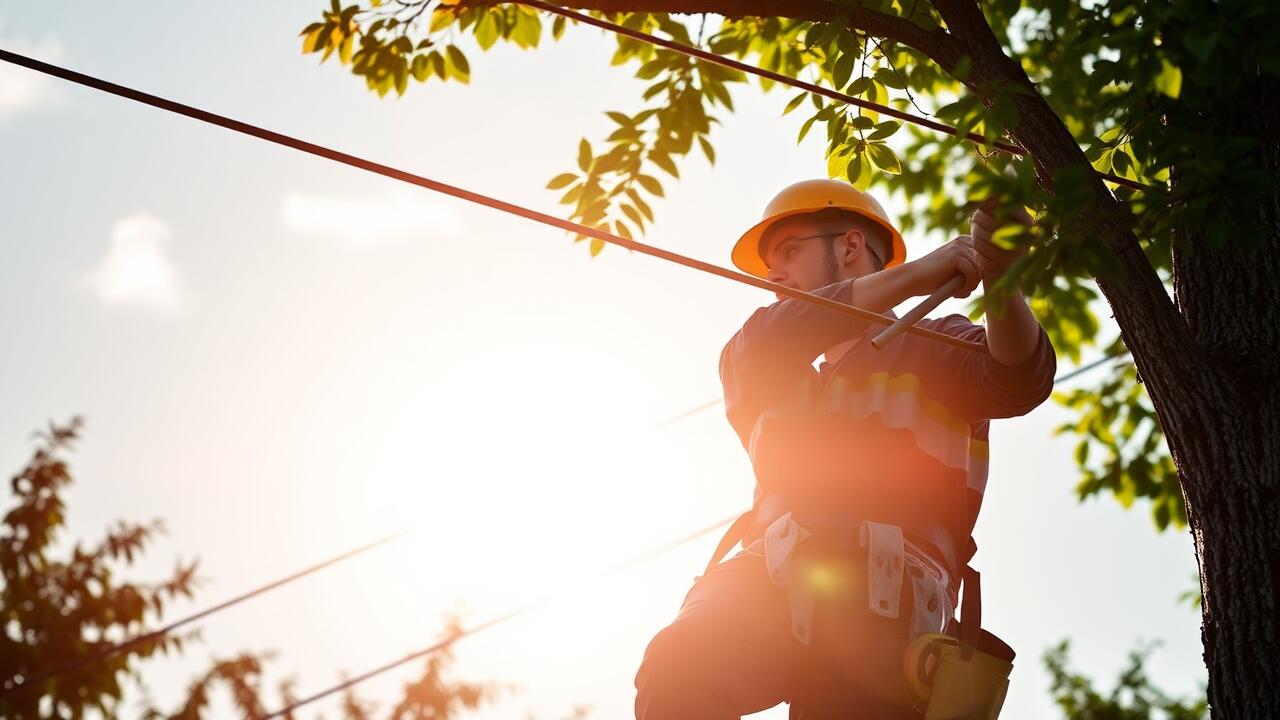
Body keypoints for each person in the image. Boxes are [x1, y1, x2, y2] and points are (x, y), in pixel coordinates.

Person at [634, 179, 1057, 719]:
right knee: (679, 666)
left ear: (851, 247)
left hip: (890, 597)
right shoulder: (762, 353)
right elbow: (783, 331)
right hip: (771, 572)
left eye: (790, 251)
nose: (773, 274)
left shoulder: (936, 344)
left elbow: (1020, 377)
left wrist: (1001, 279)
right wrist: (930, 269)